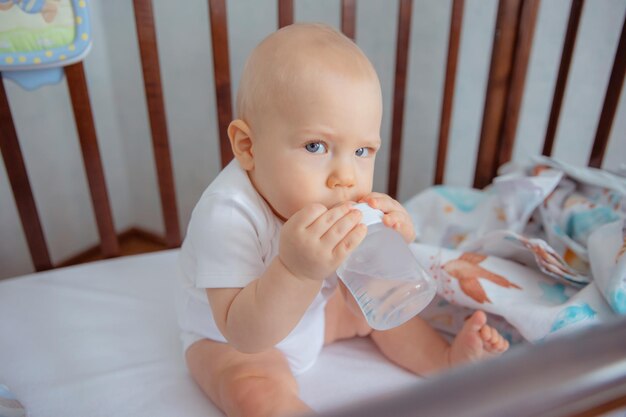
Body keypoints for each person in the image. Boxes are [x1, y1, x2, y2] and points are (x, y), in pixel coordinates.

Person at [177, 22, 509, 417]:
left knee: (383, 318)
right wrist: (295, 271)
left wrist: (390, 248)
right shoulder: (227, 213)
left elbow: (358, 298)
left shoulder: (336, 194)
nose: (346, 177)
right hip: (233, 343)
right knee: (255, 394)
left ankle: (446, 361)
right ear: (248, 146)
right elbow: (244, 333)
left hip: (313, 319)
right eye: (316, 146)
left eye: (363, 151)